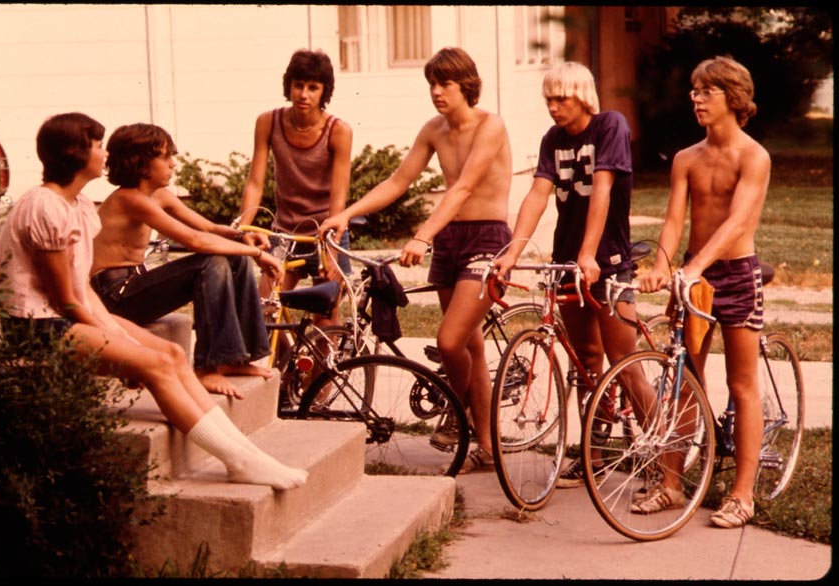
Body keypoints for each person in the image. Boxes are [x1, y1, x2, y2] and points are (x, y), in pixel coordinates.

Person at [0, 112, 307, 490]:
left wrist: (120, 339)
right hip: (34, 327)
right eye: (97, 145)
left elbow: (81, 289)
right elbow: (66, 301)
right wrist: (123, 352)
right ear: (74, 153)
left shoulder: (79, 207)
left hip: (66, 315)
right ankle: (237, 459)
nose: (105, 153)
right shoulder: (44, 207)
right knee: (154, 364)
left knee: (171, 356)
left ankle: (246, 455)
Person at [320, 46, 513, 474]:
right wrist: (346, 214)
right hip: (451, 240)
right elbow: (399, 180)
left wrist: (422, 235)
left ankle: (453, 411)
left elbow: (462, 188)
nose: (437, 92)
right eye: (432, 84)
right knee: (471, 346)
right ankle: (484, 446)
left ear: (466, 85)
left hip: (487, 237)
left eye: (444, 83)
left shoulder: (491, 126)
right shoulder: (434, 129)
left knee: (449, 342)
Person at [493, 61, 651, 488]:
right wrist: (511, 252)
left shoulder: (610, 126)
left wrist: (589, 253)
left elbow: (602, 189)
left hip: (609, 260)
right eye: (548, 99)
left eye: (560, 98)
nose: (553, 106)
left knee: (625, 361)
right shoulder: (552, 140)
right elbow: (537, 195)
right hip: (569, 260)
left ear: (582, 95)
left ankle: (661, 459)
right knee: (585, 361)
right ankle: (594, 455)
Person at [639, 55, 770, 528]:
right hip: (693, 283)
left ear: (733, 99)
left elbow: (738, 223)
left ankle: (742, 495)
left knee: (742, 384)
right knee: (681, 381)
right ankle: (671, 485)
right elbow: (675, 220)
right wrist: (661, 266)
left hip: (735, 275)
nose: (695, 98)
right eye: (694, 91)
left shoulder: (753, 156)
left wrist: (694, 266)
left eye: (705, 91)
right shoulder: (686, 158)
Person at [91, 122, 282, 399]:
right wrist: (258, 254)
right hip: (114, 297)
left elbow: (207, 228)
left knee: (235, 260)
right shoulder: (129, 200)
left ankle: (237, 358)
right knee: (211, 262)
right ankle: (207, 366)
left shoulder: (159, 196)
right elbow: (194, 242)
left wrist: (242, 239)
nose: (173, 164)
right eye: (166, 157)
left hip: (135, 284)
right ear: (141, 163)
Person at [238, 49, 354, 329]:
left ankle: (323, 373)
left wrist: (331, 251)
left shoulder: (338, 130)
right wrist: (243, 227)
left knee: (326, 320)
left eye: (313, 87)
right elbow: (255, 182)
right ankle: (284, 371)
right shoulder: (268, 122)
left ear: (324, 91)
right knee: (266, 311)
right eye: (298, 85)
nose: (304, 94)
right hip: (284, 231)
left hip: (325, 232)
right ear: (288, 85)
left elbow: (338, 198)